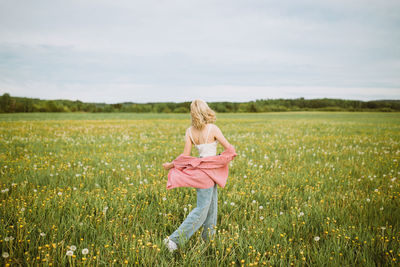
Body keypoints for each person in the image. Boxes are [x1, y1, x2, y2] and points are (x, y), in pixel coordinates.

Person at [162, 99, 233, 252]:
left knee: (212, 208)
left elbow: (185, 156)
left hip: (201, 172)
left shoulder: (190, 131)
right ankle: (173, 240)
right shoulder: (213, 128)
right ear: (205, 110)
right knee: (201, 209)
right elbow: (229, 148)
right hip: (209, 172)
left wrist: (170, 165)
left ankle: (209, 241)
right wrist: (221, 159)